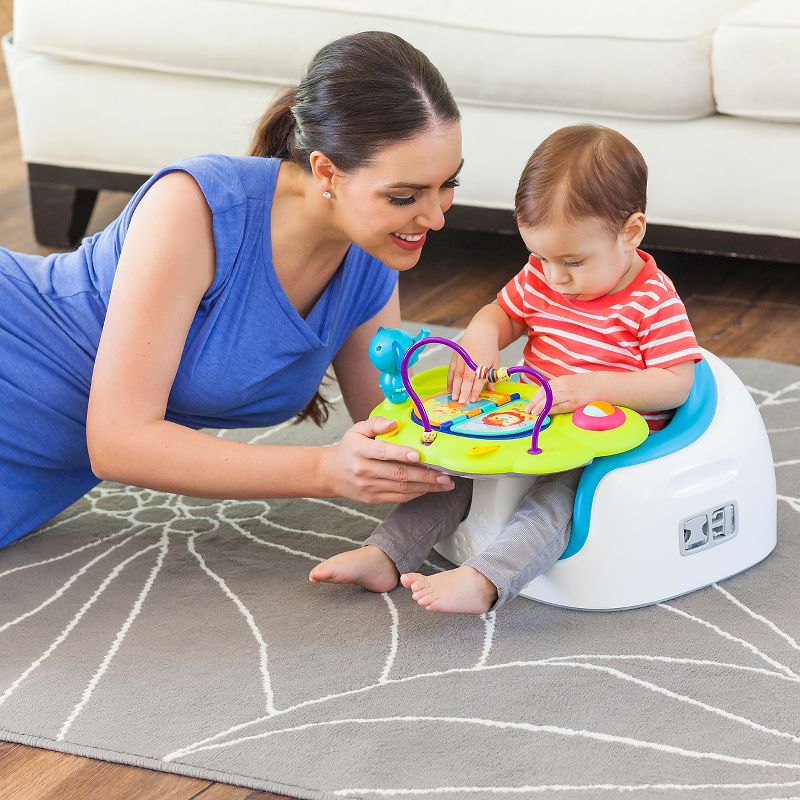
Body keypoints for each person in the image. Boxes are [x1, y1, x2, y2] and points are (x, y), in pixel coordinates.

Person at [0, 31, 465, 548]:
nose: (435, 216)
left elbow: (399, 427)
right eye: (404, 196)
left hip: (45, 468)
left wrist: (515, 426)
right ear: (326, 171)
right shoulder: (196, 206)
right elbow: (118, 442)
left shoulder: (370, 255)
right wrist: (324, 470)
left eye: (448, 184)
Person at [309, 124, 703, 614]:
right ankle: (384, 553)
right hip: (530, 421)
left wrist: (590, 389)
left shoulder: (651, 300)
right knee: (452, 470)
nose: (555, 277)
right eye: (540, 257)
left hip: (604, 445)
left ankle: (486, 579)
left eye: (573, 261)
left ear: (631, 232)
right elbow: (504, 312)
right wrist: (481, 337)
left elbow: (676, 382)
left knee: (556, 502)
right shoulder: (544, 274)